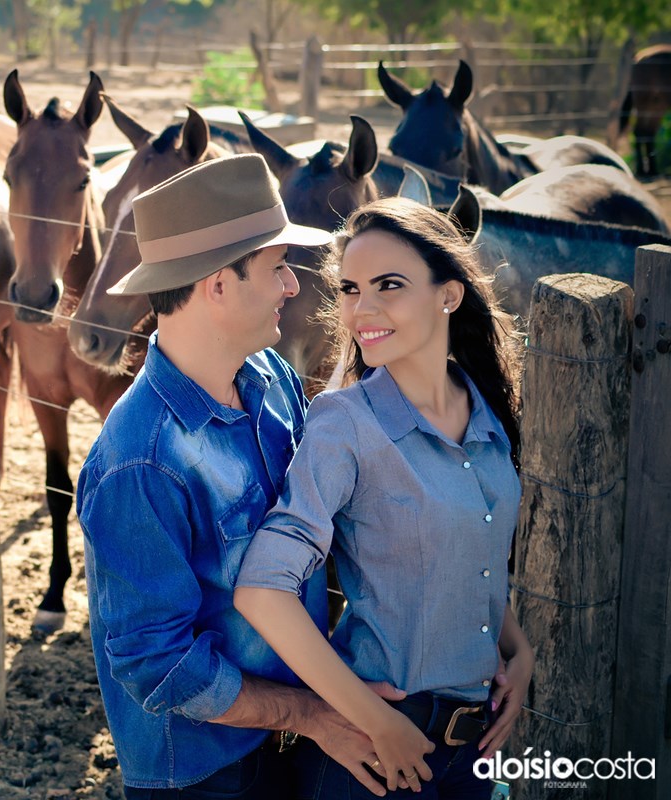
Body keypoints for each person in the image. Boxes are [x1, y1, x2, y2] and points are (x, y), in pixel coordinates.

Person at [77, 154, 403, 800]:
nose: (292, 285)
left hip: (288, 731)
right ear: (218, 285)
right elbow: (160, 668)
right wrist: (311, 714)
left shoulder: (271, 381)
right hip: (203, 773)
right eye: (277, 266)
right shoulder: (138, 460)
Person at [234, 196, 535, 798]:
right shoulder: (344, 424)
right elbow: (263, 591)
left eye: (388, 286)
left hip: (475, 751)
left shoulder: (488, 411)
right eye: (349, 289)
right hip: (374, 757)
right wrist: (375, 722)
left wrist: (517, 650)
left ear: (448, 295)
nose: (361, 310)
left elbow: (468, 550)